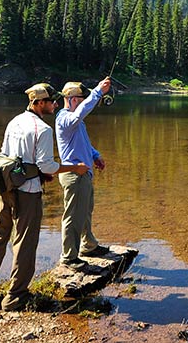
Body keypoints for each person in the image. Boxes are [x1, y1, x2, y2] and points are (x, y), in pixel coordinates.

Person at [0, 83, 90, 311]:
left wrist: (41, 171)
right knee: (25, 242)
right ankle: (16, 296)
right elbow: (47, 165)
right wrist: (73, 169)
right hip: (28, 192)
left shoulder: (14, 121)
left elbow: (8, 154)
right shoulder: (43, 130)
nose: (55, 104)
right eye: (51, 101)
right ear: (38, 103)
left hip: (4, 189)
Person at [56, 78, 111, 271]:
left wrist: (95, 156)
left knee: (85, 211)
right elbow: (79, 114)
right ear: (71, 99)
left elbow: (83, 142)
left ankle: (89, 245)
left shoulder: (77, 122)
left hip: (84, 174)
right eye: (81, 98)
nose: (83, 102)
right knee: (73, 216)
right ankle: (69, 258)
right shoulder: (64, 118)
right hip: (74, 175)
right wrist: (98, 92)